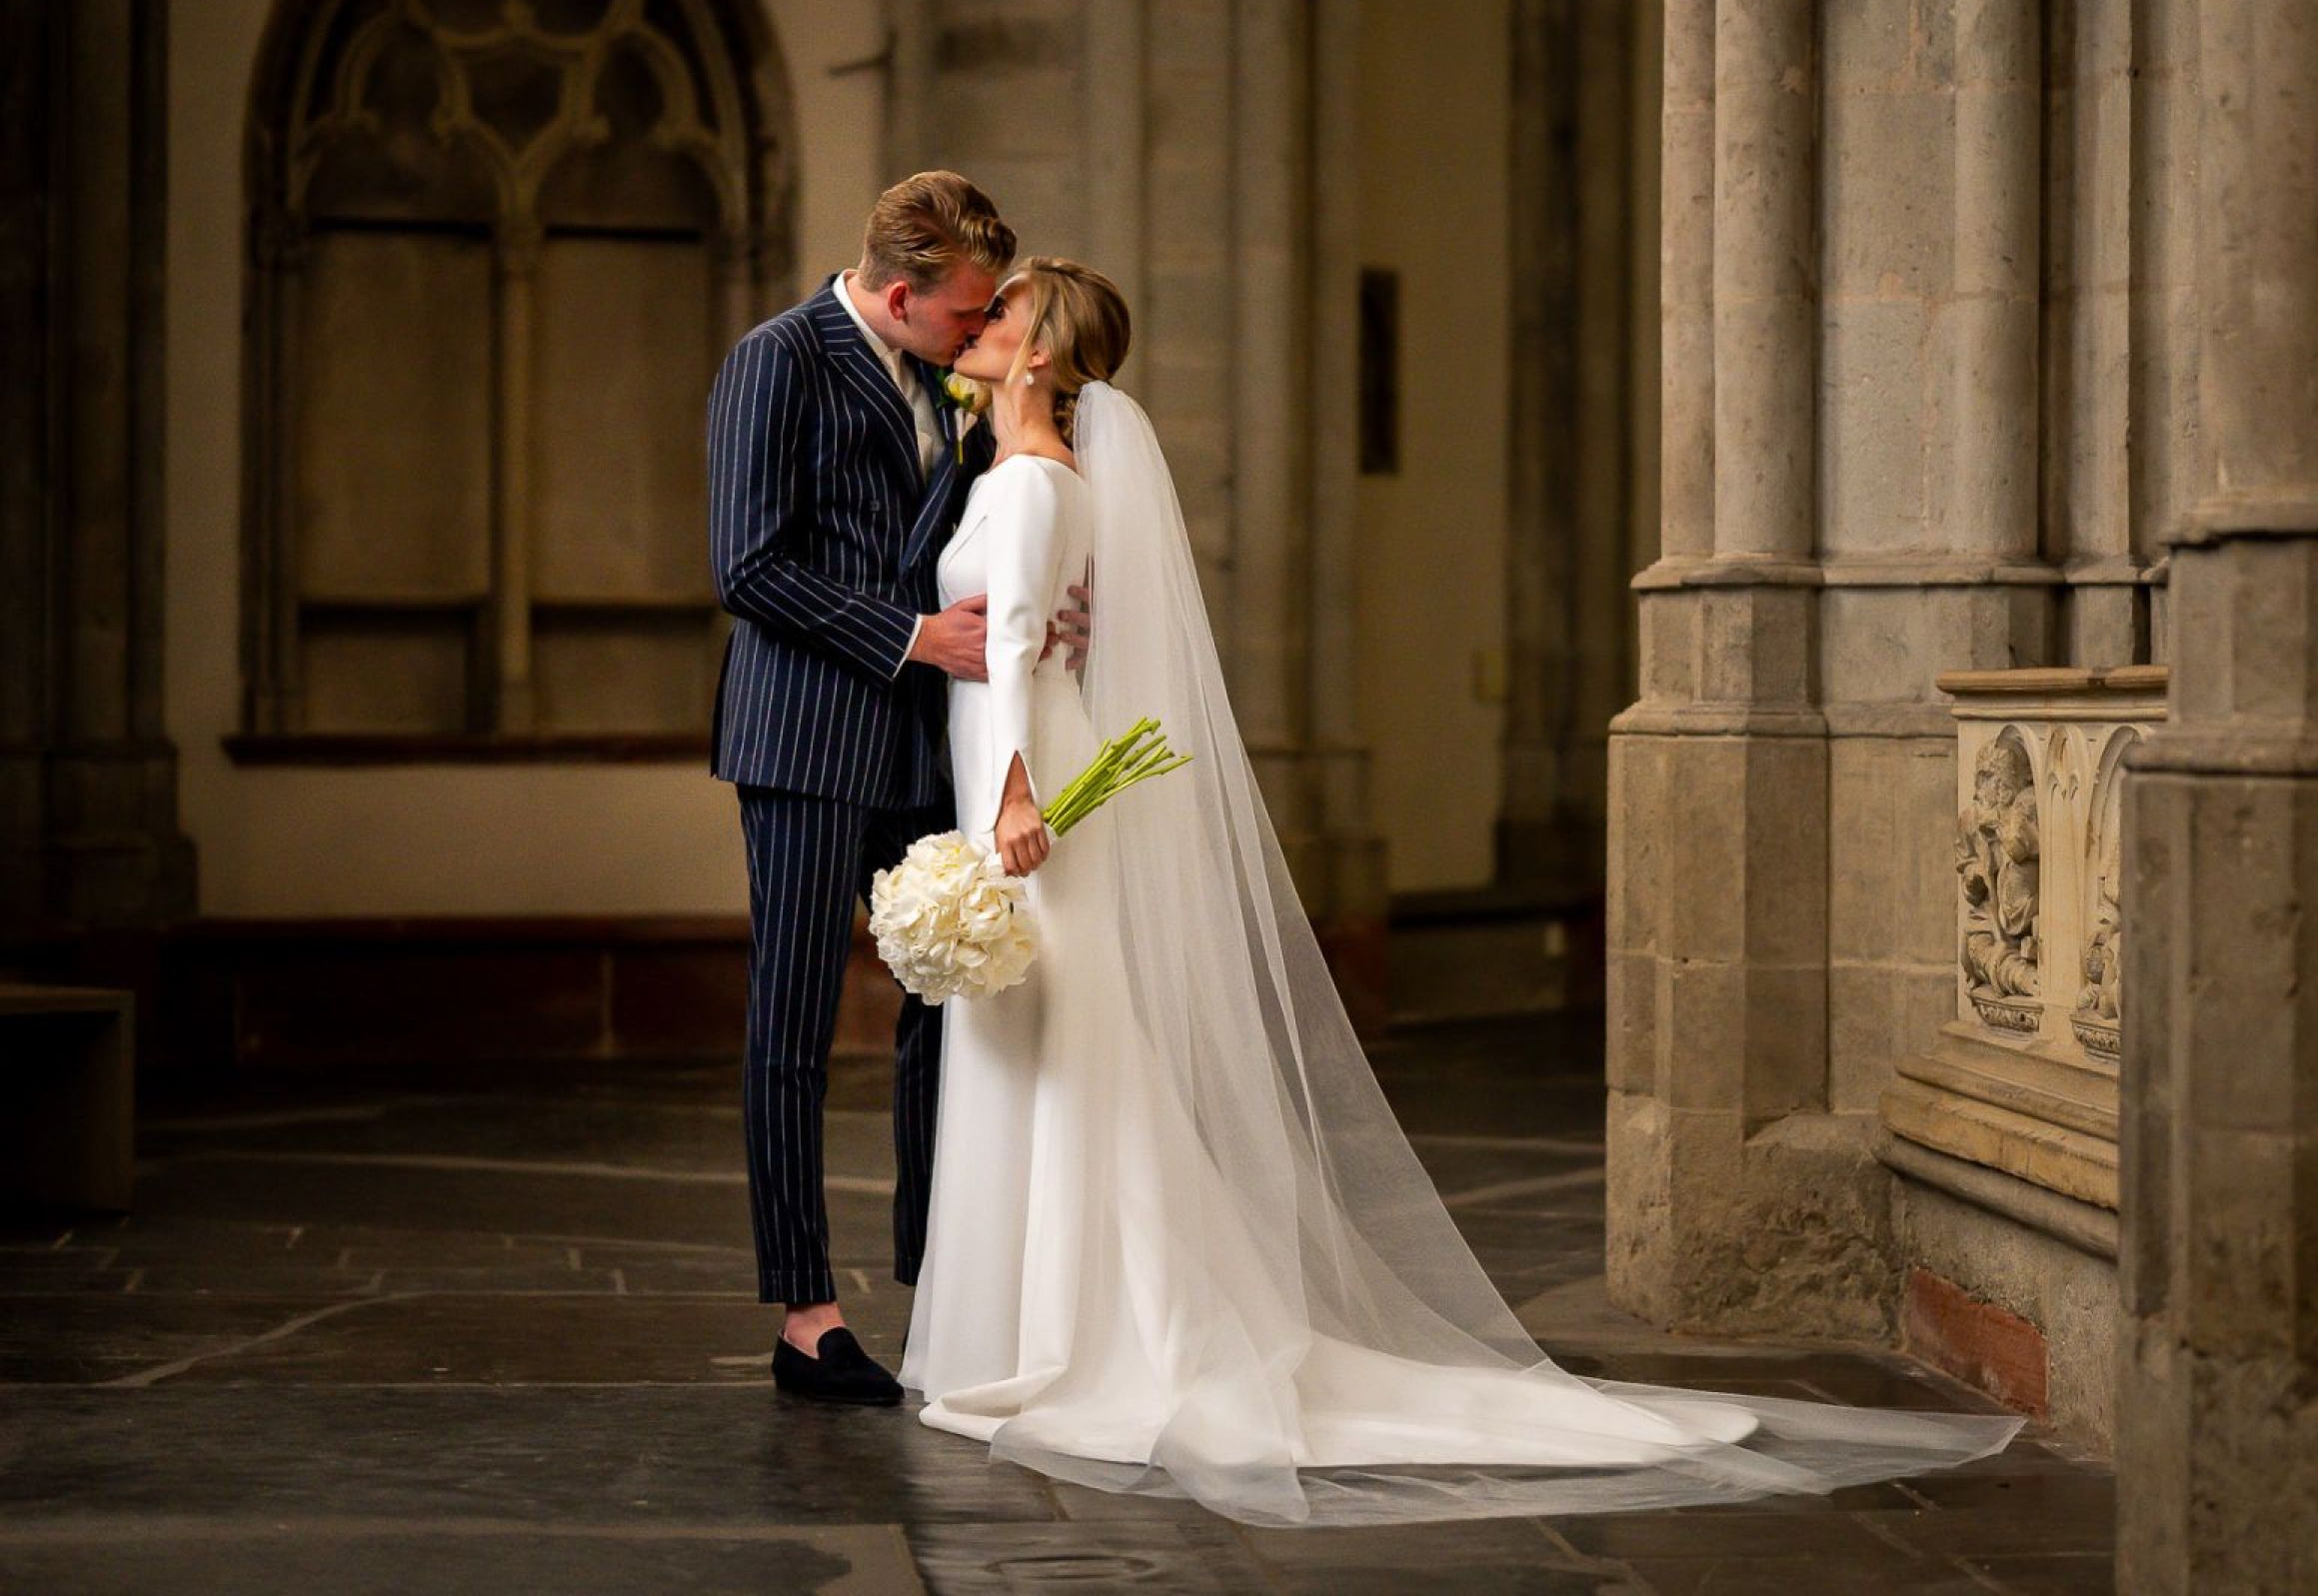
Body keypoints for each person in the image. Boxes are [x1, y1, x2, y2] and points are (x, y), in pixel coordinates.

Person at [898, 256, 2025, 1526]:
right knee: (1036, 1040)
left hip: (1024, 785)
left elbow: (1007, 639)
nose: (975, 323)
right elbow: (1025, 633)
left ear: (1040, 349)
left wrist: (1009, 797)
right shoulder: (1017, 472)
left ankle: (1086, 1333)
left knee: (1066, 1048)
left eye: (999, 312)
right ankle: (1021, 1327)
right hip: (1017, 763)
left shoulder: (1042, 481)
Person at [705, 171, 1082, 1405]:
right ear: (903, 293)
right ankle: (806, 1316)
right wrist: (919, 639)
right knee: (796, 1027)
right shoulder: (777, 360)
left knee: (945, 1012)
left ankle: (939, 1290)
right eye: (965, 315)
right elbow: (748, 567)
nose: (978, 336)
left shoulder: (936, 375)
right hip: (805, 741)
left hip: (925, 746)